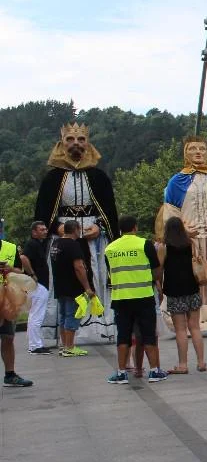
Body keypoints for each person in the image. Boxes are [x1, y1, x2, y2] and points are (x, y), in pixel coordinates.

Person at [34, 122, 118, 345]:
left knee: (95, 275)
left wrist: (100, 226)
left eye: (81, 139)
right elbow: (43, 211)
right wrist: (56, 227)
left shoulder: (98, 176)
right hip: (63, 236)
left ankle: (97, 326)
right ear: (62, 143)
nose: (76, 144)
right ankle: (65, 332)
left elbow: (109, 210)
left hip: (92, 236)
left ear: (87, 143)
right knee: (63, 282)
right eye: (70, 139)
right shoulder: (52, 178)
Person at [154, 136, 207, 331]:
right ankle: (190, 322)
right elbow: (169, 213)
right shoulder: (176, 181)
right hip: (189, 242)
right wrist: (182, 229)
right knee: (190, 281)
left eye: (202, 148)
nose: (198, 152)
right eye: (193, 148)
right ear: (186, 153)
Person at [105, 215, 167, 384]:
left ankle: (121, 373)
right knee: (148, 335)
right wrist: (156, 283)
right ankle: (154, 371)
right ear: (135, 227)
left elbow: (111, 272)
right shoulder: (144, 244)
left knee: (123, 336)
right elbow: (156, 270)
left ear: (120, 229)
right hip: (144, 296)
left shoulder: (109, 248)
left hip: (121, 298)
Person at [157, 216, 205, 374]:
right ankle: (201, 362)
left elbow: (159, 270)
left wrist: (159, 286)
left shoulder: (164, 246)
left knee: (180, 329)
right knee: (195, 327)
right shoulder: (190, 243)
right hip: (192, 288)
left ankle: (183, 365)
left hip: (174, 291)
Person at [50, 220, 95, 357]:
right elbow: (79, 267)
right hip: (72, 286)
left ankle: (64, 346)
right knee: (72, 315)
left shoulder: (56, 243)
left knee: (63, 316)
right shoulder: (73, 245)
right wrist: (87, 287)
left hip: (59, 286)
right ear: (76, 229)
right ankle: (69, 347)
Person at [0, 237, 33, 388]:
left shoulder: (10, 247)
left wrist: (10, 269)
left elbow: (20, 272)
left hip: (7, 300)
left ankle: (10, 375)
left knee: (8, 337)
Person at [22, 221, 53, 355]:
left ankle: (35, 344)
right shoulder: (32, 244)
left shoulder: (37, 244)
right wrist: (32, 274)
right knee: (37, 316)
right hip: (37, 285)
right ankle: (35, 346)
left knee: (34, 315)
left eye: (45, 229)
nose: (45, 231)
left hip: (39, 284)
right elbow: (23, 257)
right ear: (34, 232)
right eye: (41, 230)